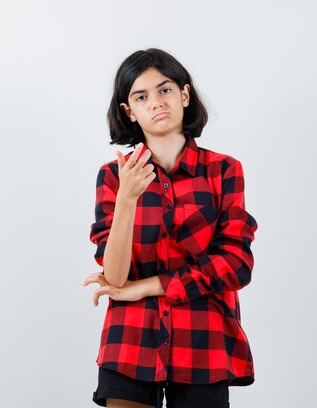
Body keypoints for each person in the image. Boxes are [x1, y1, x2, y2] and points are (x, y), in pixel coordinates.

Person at [82, 48, 258, 408]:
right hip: (130, 336)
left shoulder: (223, 171)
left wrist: (147, 286)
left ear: (184, 95)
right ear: (128, 112)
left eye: (164, 90)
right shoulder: (113, 176)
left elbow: (235, 265)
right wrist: (128, 198)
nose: (156, 103)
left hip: (204, 338)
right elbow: (115, 277)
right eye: (141, 96)